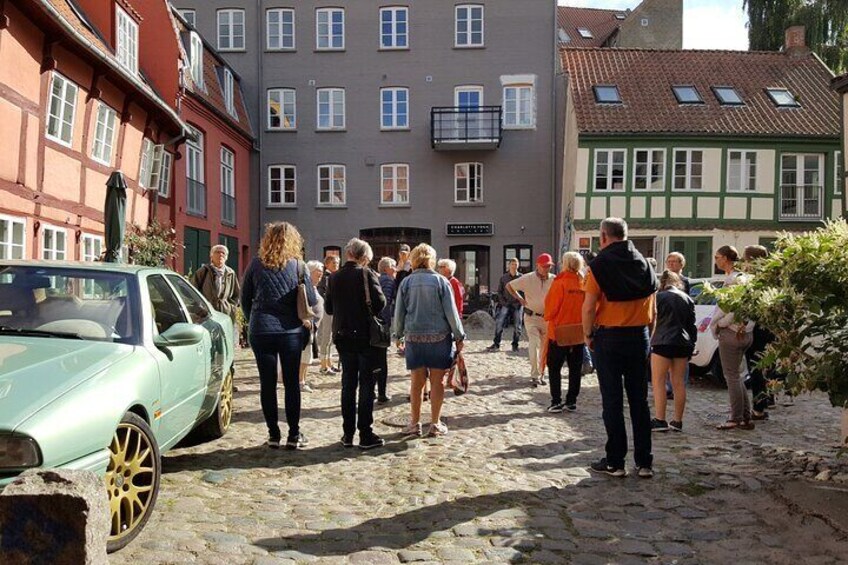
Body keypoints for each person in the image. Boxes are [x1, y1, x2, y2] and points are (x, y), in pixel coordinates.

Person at [583, 217, 657, 478]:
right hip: (639, 336)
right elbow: (652, 307)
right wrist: (649, 335)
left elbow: (589, 305)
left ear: (604, 236)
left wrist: (587, 334)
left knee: (612, 400)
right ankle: (644, 462)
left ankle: (616, 461)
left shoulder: (599, 265)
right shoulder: (645, 264)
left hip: (610, 338)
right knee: (639, 401)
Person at [241, 222, 317, 450]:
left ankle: (273, 434)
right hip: (290, 332)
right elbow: (311, 300)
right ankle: (294, 434)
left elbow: (245, 299)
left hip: (261, 331)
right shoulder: (299, 266)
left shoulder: (255, 265)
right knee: (292, 383)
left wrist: (254, 320)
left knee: (267, 384)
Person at [393, 244, 466, 438]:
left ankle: (414, 423)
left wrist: (397, 335)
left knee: (416, 383)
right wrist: (459, 336)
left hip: (414, 339)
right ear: (431, 260)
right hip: (439, 339)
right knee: (437, 382)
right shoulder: (441, 282)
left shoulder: (406, 283)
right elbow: (451, 312)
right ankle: (435, 422)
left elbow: (399, 312)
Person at [325, 238, 387, 450]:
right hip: (364, 336)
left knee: (348, 384)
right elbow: (380, 303)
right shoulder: (366, 273)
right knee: (367, 384)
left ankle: (347, 433)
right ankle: (365, 433)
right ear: (363, 257)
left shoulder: (334, 277)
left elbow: (329, 308)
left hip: (342, 335)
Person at [710, 245, 755, 430]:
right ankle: (745, 416)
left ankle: (736, 417)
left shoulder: (733, 280)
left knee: (732, 377)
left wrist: (720, 324)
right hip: (745, 333)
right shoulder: (744, 278)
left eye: (717, 256)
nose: (716, 260)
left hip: (732, 332)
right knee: (736, 376)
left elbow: (733, 309)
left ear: (726, 259)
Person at [649, 271, 697, 433]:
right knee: (678, 383)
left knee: (659, 381)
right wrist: (692, 345)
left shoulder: (658, 297)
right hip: (682, 342)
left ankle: (660, 419)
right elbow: (692, 326)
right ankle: (677, 420)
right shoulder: (687, 299)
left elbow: (652, 320)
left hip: (662, 341)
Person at [543, 252, 586, 413]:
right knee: (575, 369)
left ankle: (556, 401)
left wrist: (547, 316)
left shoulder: (560, 282)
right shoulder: (583, 282)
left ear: (565, 264)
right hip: (578, 331)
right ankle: (571, 401)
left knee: (554, 368)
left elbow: (551, 308)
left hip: (559, 332)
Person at [507, 254, 555, 386]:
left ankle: (541, 373)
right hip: (531, 317)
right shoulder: (528, 278)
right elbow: (509, 286)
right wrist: (519, 298)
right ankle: (534, 375)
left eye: (549, 266)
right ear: (538, 266)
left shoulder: (554, 279)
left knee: (545, 348)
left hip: (547, 318)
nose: (547, 268)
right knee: (534, 343)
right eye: (545, 266)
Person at [742, 245, 775, 420]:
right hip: (770, 328)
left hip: (757, 329)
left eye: (745, 259)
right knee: (765, 366)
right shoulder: (772, 277)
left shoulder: (753, 280)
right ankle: (767, 399)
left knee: (755, 368)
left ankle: (759, 407)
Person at [191, 244, 240, 323]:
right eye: (217, 252)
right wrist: (200, 307)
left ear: (226, 257)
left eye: (223, 253)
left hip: (225, 315)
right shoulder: (203, 271)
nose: (221, 254)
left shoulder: (230, 273)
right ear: (211, 256)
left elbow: (237, 294)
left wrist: (231, 307)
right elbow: (192, 291)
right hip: (206, 314)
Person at [487, 258, 523, 352]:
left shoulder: (522, 277)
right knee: (499, 323)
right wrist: (503, 302)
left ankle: (515, 345)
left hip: (517, 305)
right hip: (506, 304)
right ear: (509, 265)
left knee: (517, 326)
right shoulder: (504, 278)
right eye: (512, 264)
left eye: (516, 264)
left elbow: (524, 292)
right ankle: (496, 343)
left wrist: (520, 302)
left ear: (518, 265)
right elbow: (500, 292)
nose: (514, 266)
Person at [299, 261, 325, 393]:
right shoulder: (305, 287)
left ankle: (302, 379)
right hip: (307, 326)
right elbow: (302, 305)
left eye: (321, 274)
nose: (320, 277)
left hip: (314, 327)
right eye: (317, 274)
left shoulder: (313, 287)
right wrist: (306, 319)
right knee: (305, 356)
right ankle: (300, 381)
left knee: (308, 356)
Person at [375, 256, 398, 403]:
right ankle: (382, 393)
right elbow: (387, 301)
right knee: (381, 360)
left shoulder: (376, 278)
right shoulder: (388, 280)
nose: (395, 269)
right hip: (382, 324)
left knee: (371, 359)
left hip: (372, 323)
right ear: (386, 268)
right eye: (393, 266)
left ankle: (371, 390)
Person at [317, 254, 340, 375]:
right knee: (326, 337)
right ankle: (323, 365)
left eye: (337, 263)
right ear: (327, 264)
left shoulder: (333, 276)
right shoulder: (325, 277)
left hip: (333, 310)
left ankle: (329, 362)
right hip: (327, 310)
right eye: (333, 263)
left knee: (330, 337)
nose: (336, 265)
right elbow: (322, 294)